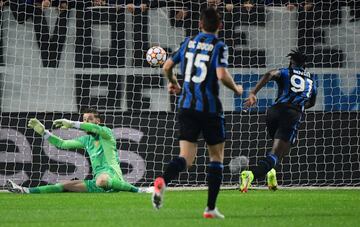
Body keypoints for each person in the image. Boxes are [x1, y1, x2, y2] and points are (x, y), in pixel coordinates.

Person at [151, 7, 243, 219]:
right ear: (219, 26)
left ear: (200, 24)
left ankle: (162, 181)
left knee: (186, 157)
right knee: (216, 157)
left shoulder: (189, 42)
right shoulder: (219, 45)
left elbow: (167, 66)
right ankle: (210, 208)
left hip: (186, 106)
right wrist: (237, 89)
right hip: (210, 109)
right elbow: (221, 74)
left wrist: (175, 84)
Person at [7, 108, 148, 194]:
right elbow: (62, 144)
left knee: (103, 180)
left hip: (112, 177)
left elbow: (96, 129)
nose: (86, 122)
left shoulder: (106, 133)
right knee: (65, 184)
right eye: (84, 120)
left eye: (89, 119)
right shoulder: (86, 141)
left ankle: (139, 190)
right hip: (97, 182)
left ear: (98, 121)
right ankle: (25, 190)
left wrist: (72, 123)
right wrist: (44, 133)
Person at [240, 49, 317, 192]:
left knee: (278, 148)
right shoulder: (311, 81)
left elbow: (270, 74)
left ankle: (271, 173)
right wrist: (300, 105)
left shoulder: (286, 72)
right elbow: (311, 102)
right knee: (277, 153)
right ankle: (250, 175)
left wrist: (252, 93)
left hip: (274, 111)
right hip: (292, 114)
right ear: (304, 65)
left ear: (291, 63)